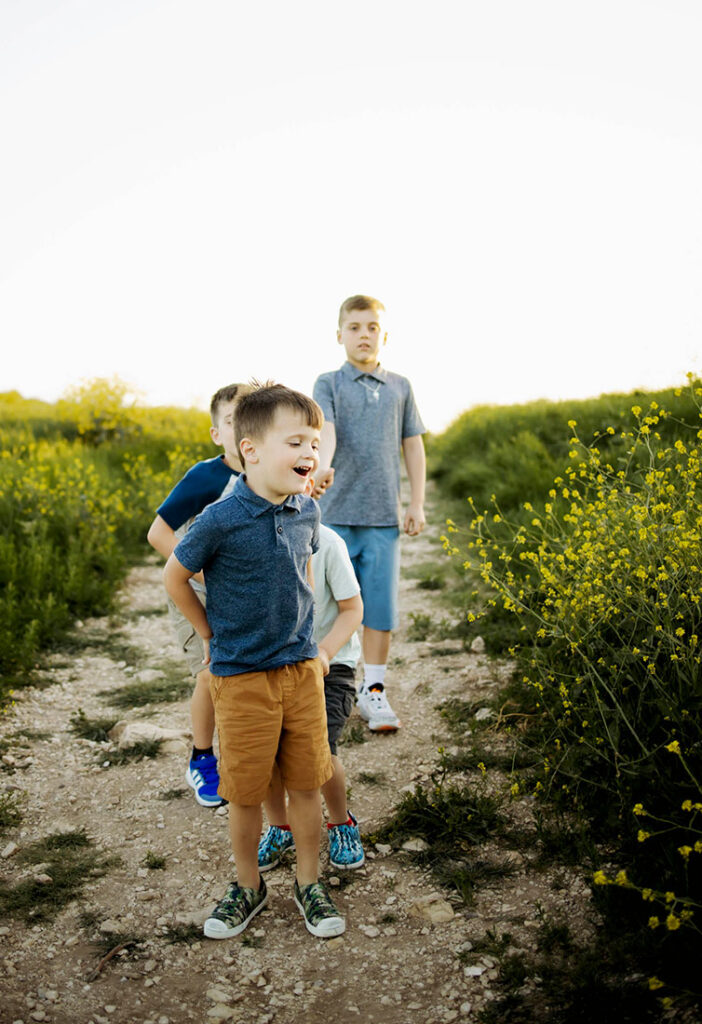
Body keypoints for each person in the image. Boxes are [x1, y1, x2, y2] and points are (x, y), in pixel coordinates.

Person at [164, 383, 345, 940]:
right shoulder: (220, 518)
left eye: (313, 442)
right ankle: (249, 886)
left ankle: (310, 882)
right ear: (251, 450)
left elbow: (306, 576)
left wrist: (313, 647)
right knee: (245, 793)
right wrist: (207, 632)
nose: (310, 452)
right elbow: (174, 575)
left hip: (299, 673)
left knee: (307, 786)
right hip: (240, 678)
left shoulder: (306, 509)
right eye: (295, 441)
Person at [313, 295, 426, 732]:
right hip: (334, 516)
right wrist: (322, 466)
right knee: (330, 606)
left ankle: (373, 690)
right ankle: (325, 680)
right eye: (354, 327)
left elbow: (412, 444)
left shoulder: (400, 386)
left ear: (384, 334)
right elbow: (327, 430)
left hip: (383, 517)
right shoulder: (329, 383)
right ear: (339, 334)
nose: (363, 334)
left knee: (379, 607)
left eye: (372, 327)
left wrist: (415, 502)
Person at [147, 383, 248, 808]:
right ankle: (202, 758)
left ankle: (247, 757)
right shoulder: (207, 476)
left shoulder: (269, 474)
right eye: (231, 421)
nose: (242, 428)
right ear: (217, 434)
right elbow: (158, 533)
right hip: (195, 592)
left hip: (241, 592)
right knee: (210, 672)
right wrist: (198, 568)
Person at [258, 513, 365, 872]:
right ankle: (279, 827)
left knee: (321, 751)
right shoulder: (253, 544)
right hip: (274, 663)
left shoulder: (330, 544)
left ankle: (340, 822)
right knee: (269, 752)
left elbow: (352, 609)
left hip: (330, 664)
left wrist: (325, 652)